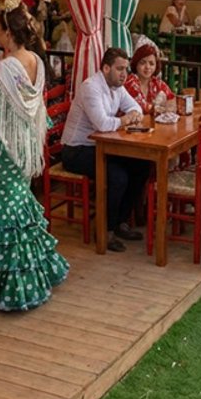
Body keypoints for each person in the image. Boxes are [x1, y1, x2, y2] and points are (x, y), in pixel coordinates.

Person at [0, 7, 68, 307]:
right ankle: (29, 275)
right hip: (27, 144)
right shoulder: (36, 60)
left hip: (6, 146)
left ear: (8, 33)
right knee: (19, 203)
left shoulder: (3, 68)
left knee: (0, 207)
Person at [60, 47, 148, 252]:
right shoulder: (91, 87)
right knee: (118, 176)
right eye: (120, 69)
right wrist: (126, 119)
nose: (124, 74)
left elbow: (136, 108)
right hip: (76, 150)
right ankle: (105, 231)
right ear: (106, 68)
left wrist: (133, 114)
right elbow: (102, 124)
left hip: (100, 146)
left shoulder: (117, 86)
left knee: (142, 165)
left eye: (126, 69)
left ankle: (120, 222)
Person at [123, 43, 175, 115]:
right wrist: (162, 108)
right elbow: (143, 108)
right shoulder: (130, 82)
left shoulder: (156, 82)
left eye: (151, 63)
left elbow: (172, 99)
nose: (147, 67)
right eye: (143, 63)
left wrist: (168, 107)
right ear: (136, 64)